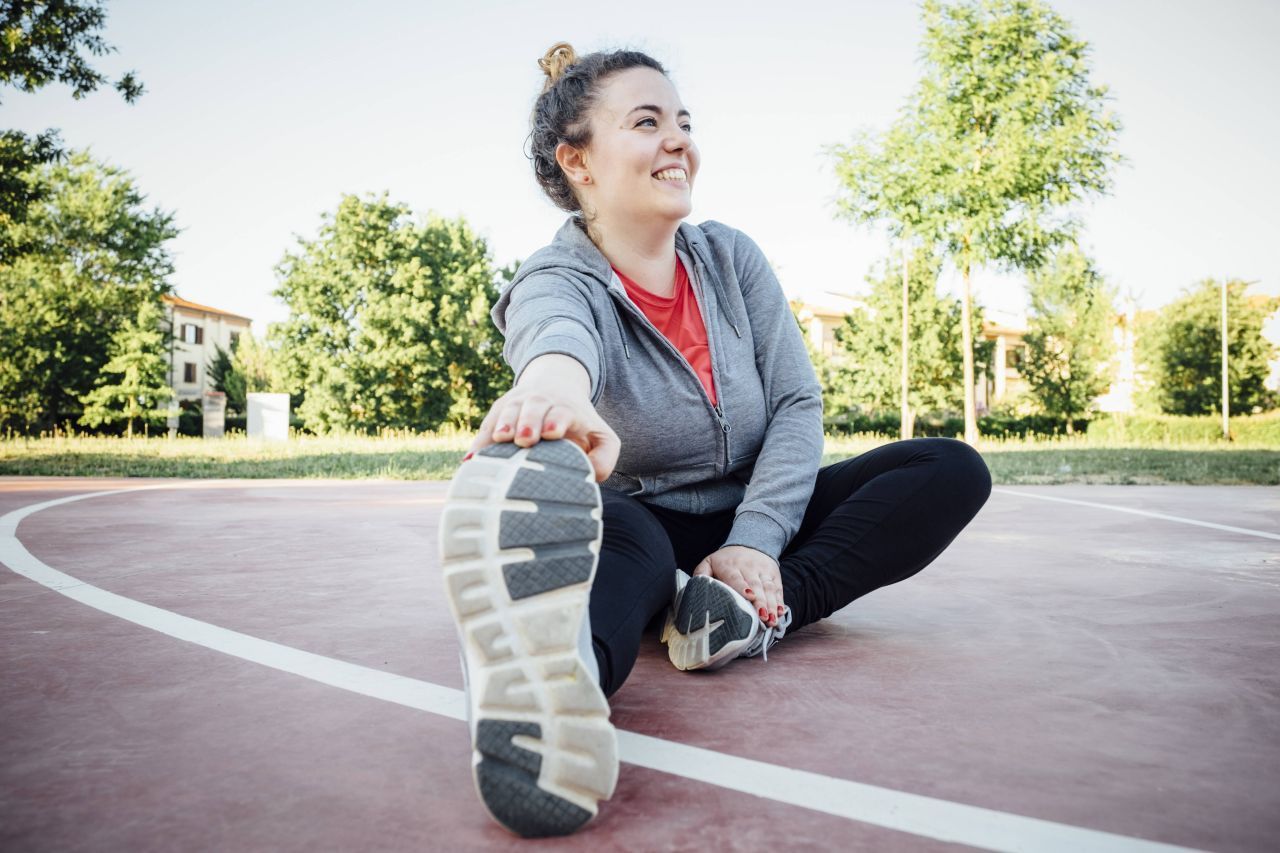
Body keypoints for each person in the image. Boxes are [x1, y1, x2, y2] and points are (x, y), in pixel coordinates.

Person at [439, 42, 993, 839]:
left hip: (760, 512)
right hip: (644, 522)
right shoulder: (557, 278)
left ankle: (737, 611)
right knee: (619, 545)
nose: (679, 140)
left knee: (947, 468)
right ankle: (547, 699)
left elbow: (799, 402)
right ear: (579, 162)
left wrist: (758, 542)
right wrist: (551, 396)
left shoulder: (730, 258)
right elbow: (554, 343)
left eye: (684, 121)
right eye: (647, 122)